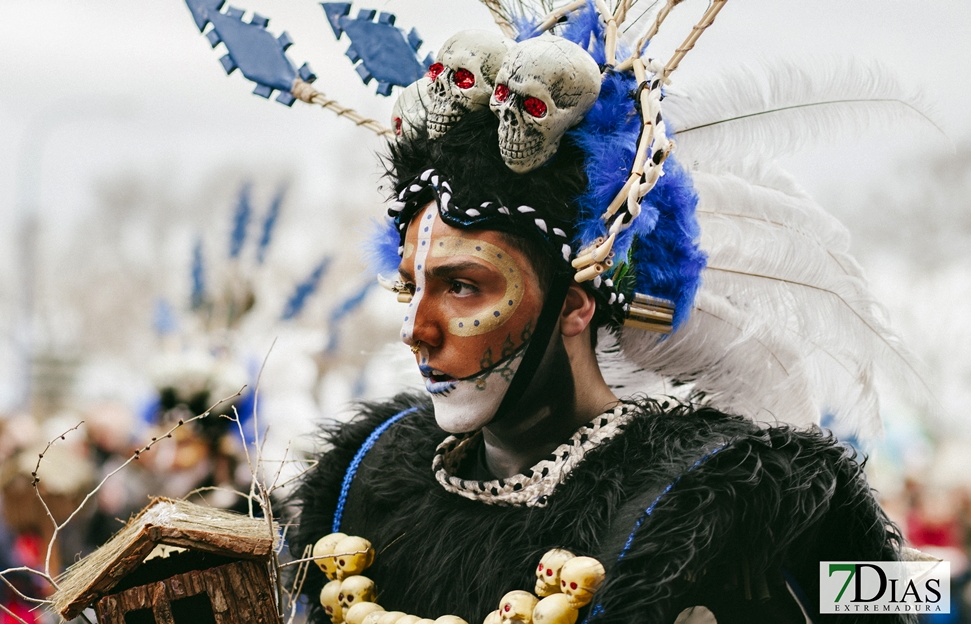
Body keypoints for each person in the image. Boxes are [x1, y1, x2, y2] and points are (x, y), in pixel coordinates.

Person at [284, 13, 917, 624]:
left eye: (463, 287)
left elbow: (907, 592)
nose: (416, 329)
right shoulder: (365, 475)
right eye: (410, 287)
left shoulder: (726, 496)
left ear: (574, 306)